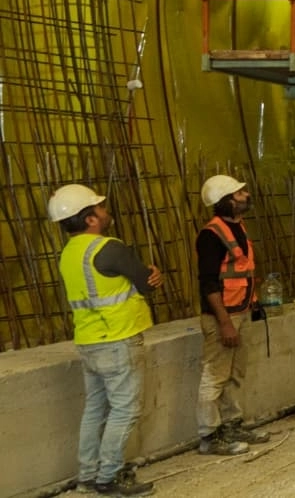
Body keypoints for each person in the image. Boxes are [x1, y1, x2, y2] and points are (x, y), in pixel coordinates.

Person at [50, 183, 163, 496]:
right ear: (90, 219)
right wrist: (152, 275)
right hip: (118, 339)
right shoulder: (109, 248)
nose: (105, 210)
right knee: (125, 410)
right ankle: (109, 476)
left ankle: (88, 476)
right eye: (99, 207)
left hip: (88, 341)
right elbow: (146, 282)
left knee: (95, 410)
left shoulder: (68, 254)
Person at [194, 175, 271, 456]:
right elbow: (209, 284)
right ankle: (209, 435)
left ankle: (231, 425)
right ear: (226, 201)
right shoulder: (211, 235)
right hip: (222, 317)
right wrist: (225, 323)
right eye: (239, 193)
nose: (245, 195)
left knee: (234, 374)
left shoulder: (237, 227)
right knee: (215, 376)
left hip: (240, 312)